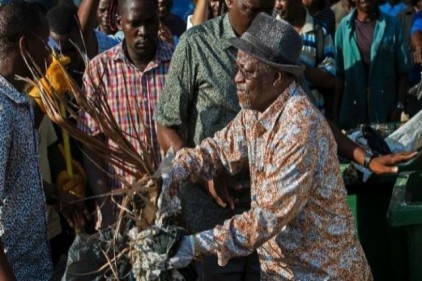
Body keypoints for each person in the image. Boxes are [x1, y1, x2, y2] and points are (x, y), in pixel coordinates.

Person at [155, 0, 416, 279]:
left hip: (322, 273)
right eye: (237, 68)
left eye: (248, 72)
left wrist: (192, 245)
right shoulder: (255, 110)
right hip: (285, 269)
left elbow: (264, 220)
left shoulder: (299, 128)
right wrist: (172, 171)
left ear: (277, 77)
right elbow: (218, 149)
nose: (237, 79)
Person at [79, 0, 174, 227]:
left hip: (172, 205)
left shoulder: (178, 62)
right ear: (120, 23)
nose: (144, 32)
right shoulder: (100, 70)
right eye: (135, 24)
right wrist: (106, 207)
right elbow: (91, 144)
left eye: (151, 22)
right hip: (121, 210)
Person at [0, 1, 52, 279]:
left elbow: (12, 178)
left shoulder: (16, 100)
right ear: (25, 46)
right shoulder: (1, 110)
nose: (51, 54)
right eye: (45, 43)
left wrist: (53, 195)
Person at [334, 0, 410, 130]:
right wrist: (335, 113)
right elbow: (340, 75)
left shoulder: (393, 26)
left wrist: (399, 107)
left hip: (385, 114)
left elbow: (403, 72)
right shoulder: (344, 28)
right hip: (352, 116)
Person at [274, 0, 336, 115]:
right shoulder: (270, 31)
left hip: (313, 118)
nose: (277, 5)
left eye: (282, 0)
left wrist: (298, 67)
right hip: (280, 119)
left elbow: (330, 79)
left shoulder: (320, 32)